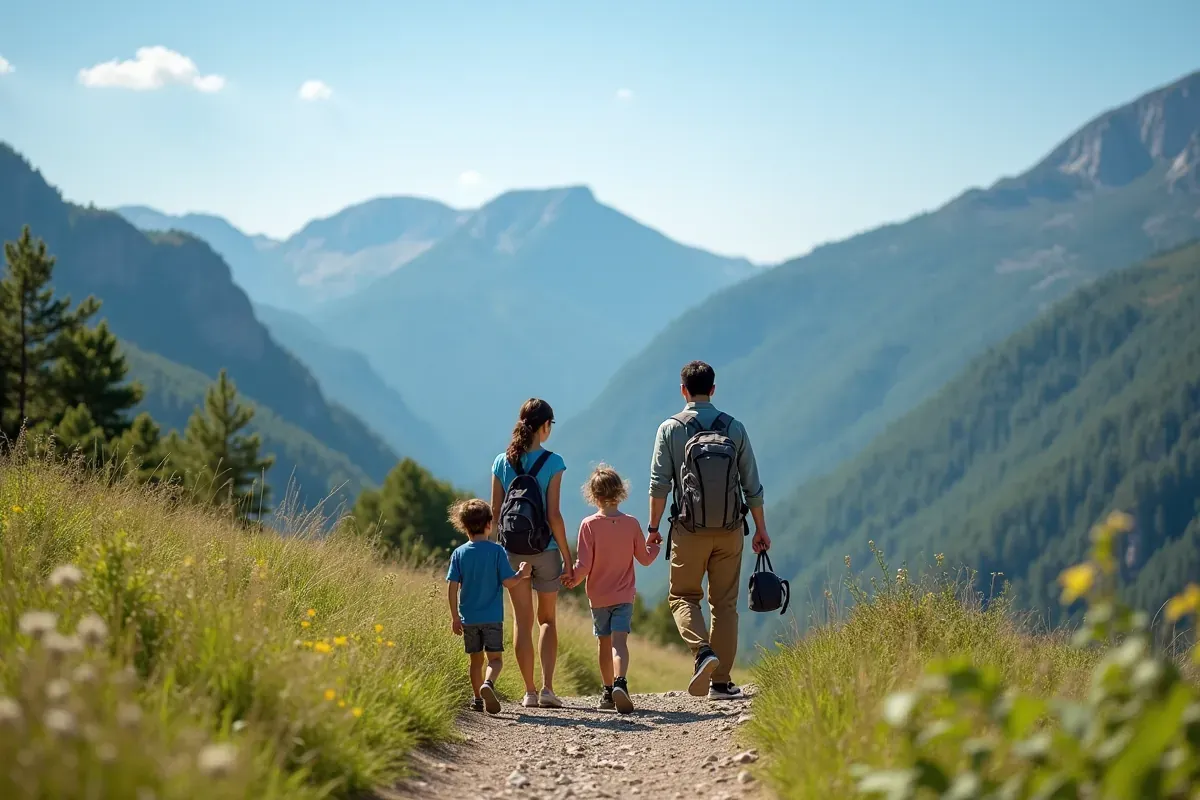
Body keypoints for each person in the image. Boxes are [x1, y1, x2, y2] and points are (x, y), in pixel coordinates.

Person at [647, 360, 770, 700]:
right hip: (731, 529)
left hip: (688, 529)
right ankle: (722, 682)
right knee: (725, 605)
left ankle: (703, 652)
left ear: (683, 390)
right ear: (713, 390)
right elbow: (753, 486)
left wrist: (653, 528)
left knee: (684, 597)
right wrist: (760, 529)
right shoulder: (735, 427)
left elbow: (658, 486)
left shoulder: (670, 429)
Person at [491, 398, 574, 709]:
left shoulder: (502, 462)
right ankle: (548, 690)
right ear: (545, 426)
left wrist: (493, 552)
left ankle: (529, 691)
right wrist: (567, 556)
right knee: (547, 620)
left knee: (521, 622)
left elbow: (496, 511)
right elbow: (554, 515)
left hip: (512, 552)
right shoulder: (553, 463)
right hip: (546, 550)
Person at [567, 464, 660, 714]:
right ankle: (621, 683)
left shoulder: (589, 525)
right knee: (620, 644)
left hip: (598, 596)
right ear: (620, 492)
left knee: (603, 643)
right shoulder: (631, 524)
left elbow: (583, 565)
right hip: (624, 596)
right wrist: (655, 546)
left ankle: (608, 691)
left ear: (593, 495)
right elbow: (645, 558)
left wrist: (572, 580)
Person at [445, 499, 531, 715]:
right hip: (492, 617)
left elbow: (452, 587)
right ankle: (488, 684)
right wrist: (522, 573)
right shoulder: (497, 551)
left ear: (464, 526)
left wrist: (455, 617)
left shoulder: (459, 553)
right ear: (489, 525)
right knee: (495, 659)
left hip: (469, 618)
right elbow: (508, 582)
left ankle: (477, 700)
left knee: (475, 660)